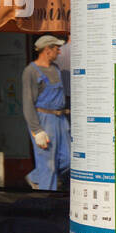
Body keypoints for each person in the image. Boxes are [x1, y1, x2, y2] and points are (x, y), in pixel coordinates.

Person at [22, 34, 70, 191]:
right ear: (47, 50)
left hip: (60, 119)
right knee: (48, 165)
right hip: (44, 120)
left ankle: (35, 177)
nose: (59, 52)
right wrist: (37, 131)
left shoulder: (55, 68)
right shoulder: (31, 71)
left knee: (69, 160)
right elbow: (28, 103)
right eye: (57, 48)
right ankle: (46, 200)